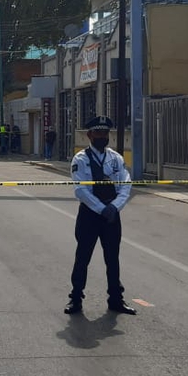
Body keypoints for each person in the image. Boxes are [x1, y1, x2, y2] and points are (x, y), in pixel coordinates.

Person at [64, 115, 136, 316]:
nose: (102, 137)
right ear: (89, 135)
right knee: (83, 257)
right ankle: (75, 298)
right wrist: (101, 208)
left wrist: (114, 207)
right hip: (90, 215)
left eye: (105, 133)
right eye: (98, 133)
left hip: (111, 214)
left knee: (112, 258)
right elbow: (81, 190)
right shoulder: (81, 159)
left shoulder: (115, 158)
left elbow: (125, 184)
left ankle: (116, 299)